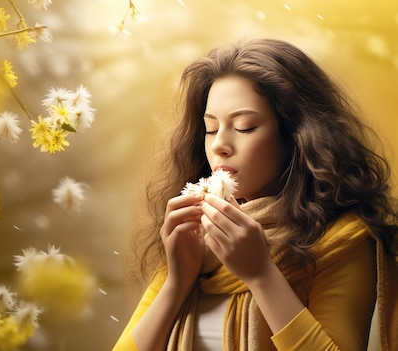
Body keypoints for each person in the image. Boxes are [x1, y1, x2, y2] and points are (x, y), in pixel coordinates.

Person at [113, 38, 398, 351]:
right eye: (210, 128)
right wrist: (177, 282)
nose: (219, 144)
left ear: (295, 136)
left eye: (245, 127)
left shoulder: (341, 242)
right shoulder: (198, 236)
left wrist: (261, 274)